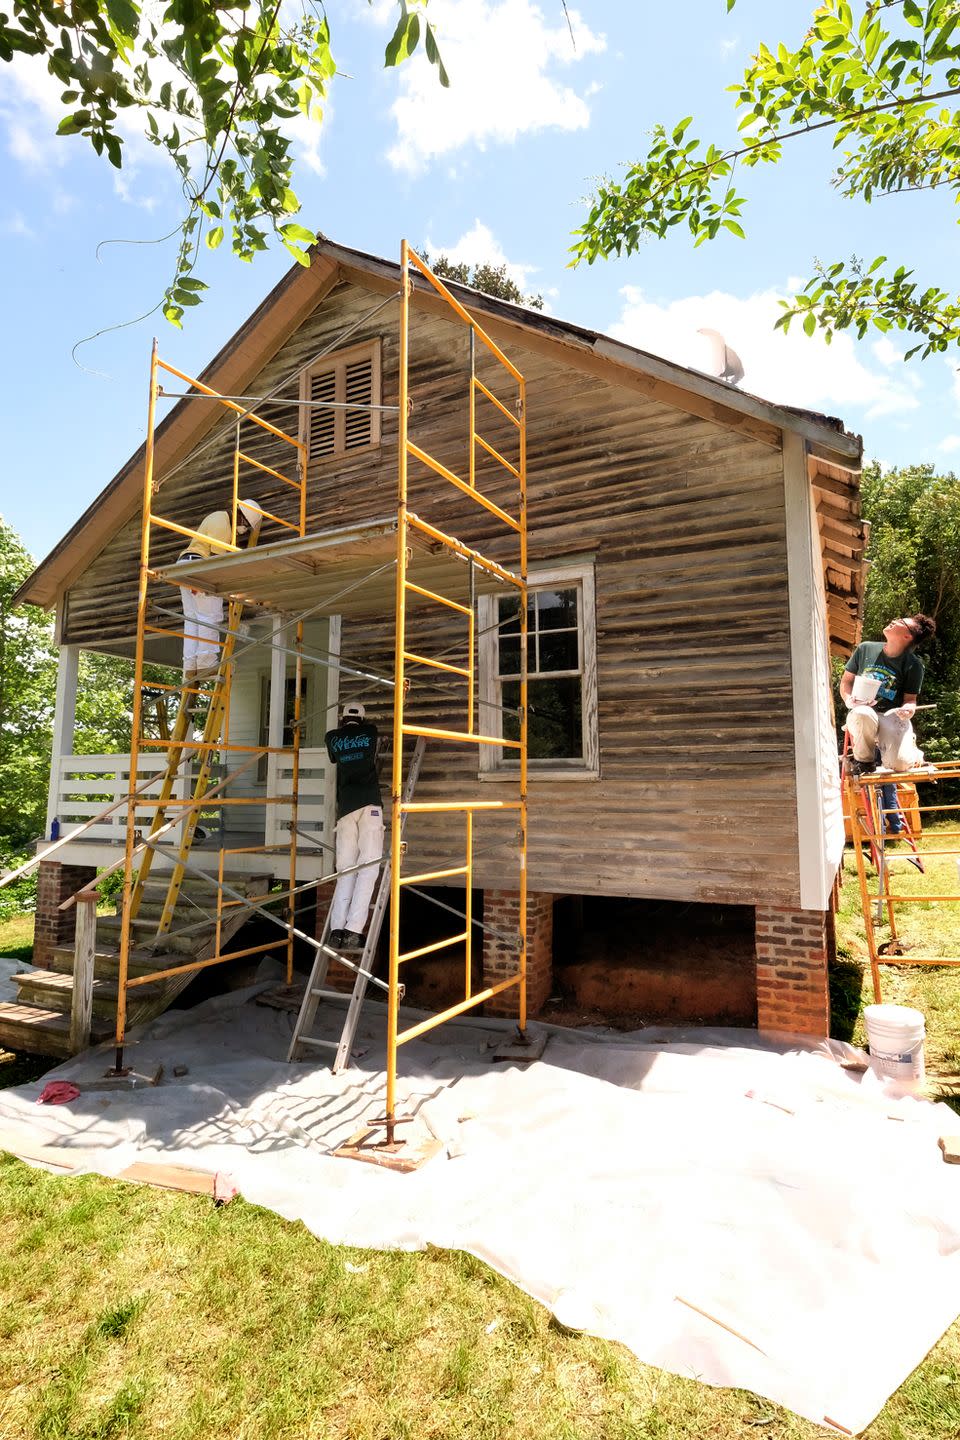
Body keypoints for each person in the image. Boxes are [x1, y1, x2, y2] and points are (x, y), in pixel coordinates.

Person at [840, 614, 936, 779]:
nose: (894, 620)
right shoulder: (865, 649)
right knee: (863, 712)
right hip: (861, 713)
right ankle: (864, 762)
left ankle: (913, 754)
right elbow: (846, 682)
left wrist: (908, 710)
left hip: (890, 716)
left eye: (900, 622)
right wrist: (849, 700)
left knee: (899, 765)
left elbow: (910, 700)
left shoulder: (913, 665)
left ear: (907, 636)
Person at [178, 500, 261, 681]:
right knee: (210, 616)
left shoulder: (217, 517)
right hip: (199, 566)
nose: (244, 530)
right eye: (245, 525)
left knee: (192, 620)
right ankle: (207, 665)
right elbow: (215, 563)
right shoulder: (224, 525)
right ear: (240, 515)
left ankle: (190, 667)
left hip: (184, 565)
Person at [324, 701, 384, 950]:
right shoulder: (370, 733)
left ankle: (336, 930)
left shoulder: (332, 738)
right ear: (361, 718)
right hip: (369, 804)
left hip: (345, 808)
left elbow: (334, 759)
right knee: (368, 867)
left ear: (342, 717)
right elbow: (372, 734)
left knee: (345, 869)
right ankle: (353, 931)